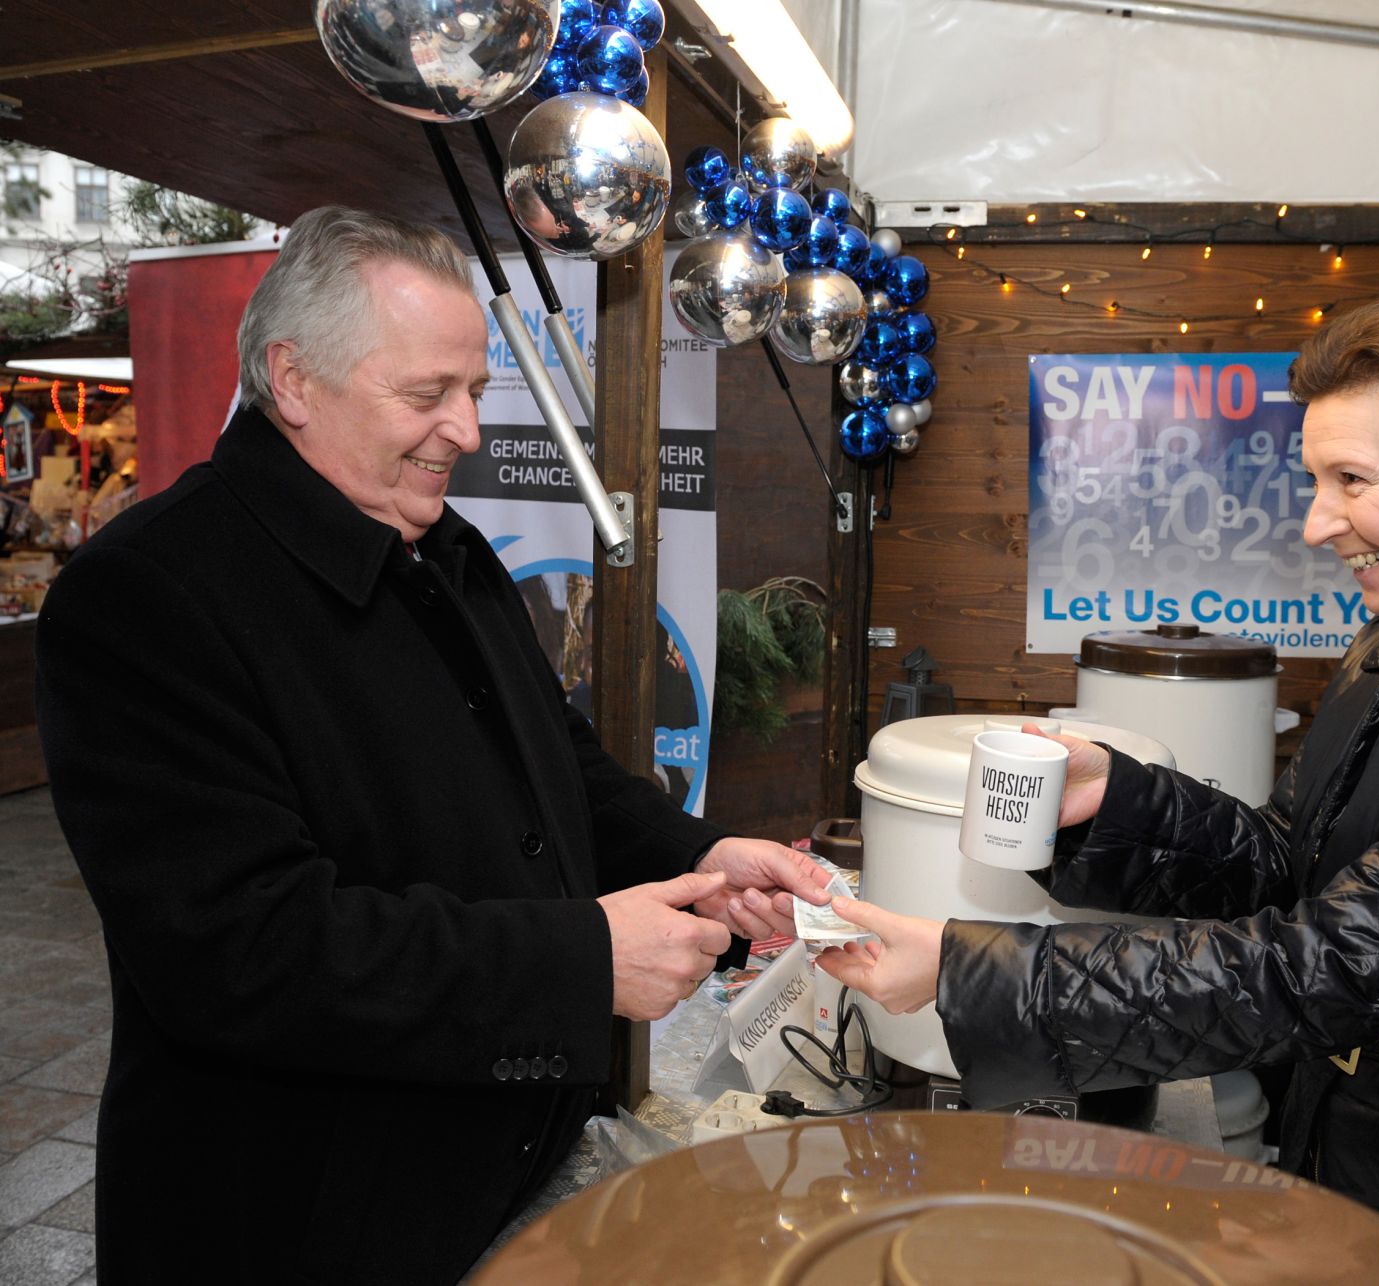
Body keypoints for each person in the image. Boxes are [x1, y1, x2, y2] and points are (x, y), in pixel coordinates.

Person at [820, 286, 1379, 1284]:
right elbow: (1290, 862)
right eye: (1312, 479)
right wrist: (1114, 798)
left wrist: (962, 968)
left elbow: (1313, 968)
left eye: (1350, 480)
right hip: (1376, 1156)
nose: (1317, 522)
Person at [34, 206, 830, 1285]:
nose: (466, 430)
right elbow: (240, 953)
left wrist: (700, 859)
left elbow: (560, 776)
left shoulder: (442, 549)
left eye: (474, 391)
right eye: (426, 396)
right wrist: (582, 960)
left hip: (501, 1181)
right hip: (299, 1226)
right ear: (294, 380)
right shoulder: (146, 594)